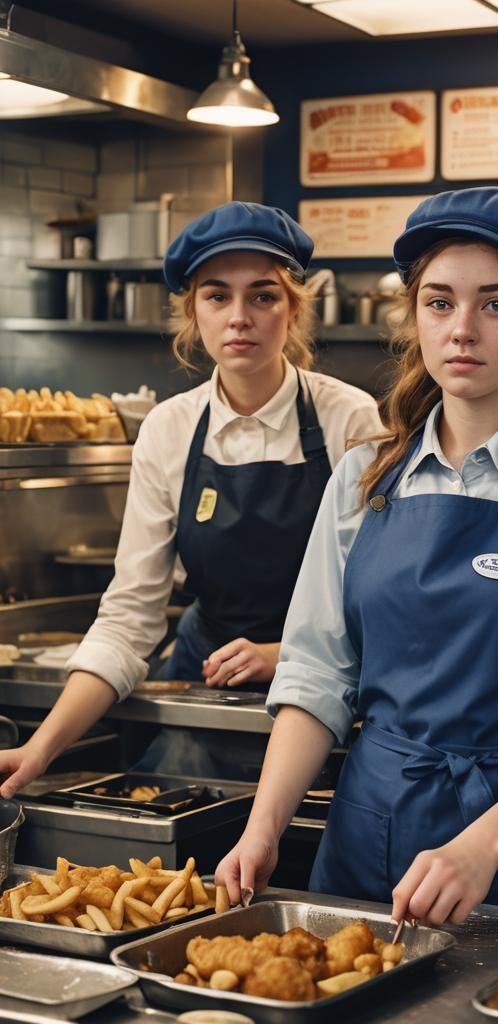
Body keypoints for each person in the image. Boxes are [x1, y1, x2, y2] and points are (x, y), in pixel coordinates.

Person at [215, 187, 498, 924]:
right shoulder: (362, 477)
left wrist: (481, 848)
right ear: (415, 315)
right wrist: (264, 829)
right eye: (440, 303)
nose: (462, 331)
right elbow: (317, 674)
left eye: (496, 304)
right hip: (365, 835)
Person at [0, 202, 381, 791]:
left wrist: (286, 652)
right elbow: (130, 617)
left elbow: (381, 601)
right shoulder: (169, 428)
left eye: (262, 296)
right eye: (216, 296)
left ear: (293, 309)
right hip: (208, 681)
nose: (239, 318)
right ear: (192, 313)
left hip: (331, 688)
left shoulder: (349, 418)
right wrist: (40, 747)